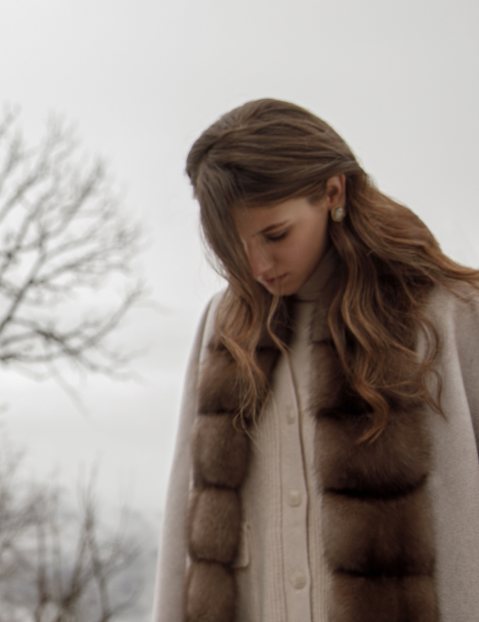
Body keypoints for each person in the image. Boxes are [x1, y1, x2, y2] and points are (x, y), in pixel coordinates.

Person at [154, 98, 479, 621]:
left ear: (333, 193)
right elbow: (185, 522)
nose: (258, 266)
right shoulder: (225, 327)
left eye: (276, 234)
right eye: (235, 245)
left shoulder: (445, 313)